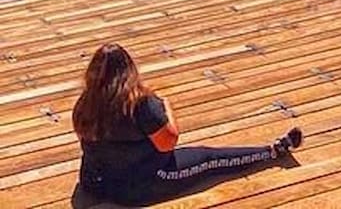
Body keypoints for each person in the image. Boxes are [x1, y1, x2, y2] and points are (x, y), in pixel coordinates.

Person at [72, 42, 302, 205]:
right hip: (142, 186)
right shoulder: (141, 105)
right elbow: (168, 143)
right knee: (210, 160)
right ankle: (272, 151)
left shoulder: (85, 103)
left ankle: (273, 151)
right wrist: (167, 107)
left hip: (96, 184)